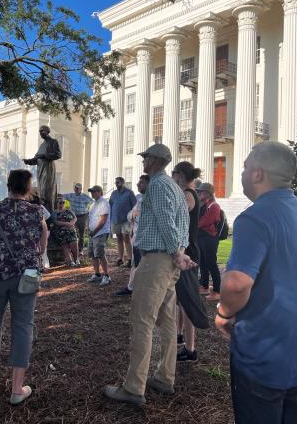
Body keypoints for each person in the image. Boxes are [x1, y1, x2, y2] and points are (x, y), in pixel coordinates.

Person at [215, 141, 297, 424]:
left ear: (257, 174)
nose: (241, 174)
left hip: (262, 355)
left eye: (244, 167)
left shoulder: (254, 217)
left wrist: (223, 314)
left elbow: (236, 284)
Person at [103, 144, 195, 406]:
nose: (143, 161)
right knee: (166, 322)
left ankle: (134, 388)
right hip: (169, 262)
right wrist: (180, 251)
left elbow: (167, 221)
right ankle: (165, 378)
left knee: (142, 321)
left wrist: (177, 253)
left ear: (155, 161)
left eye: (146, 158)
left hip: (157, 260)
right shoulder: (175, 188)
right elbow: (183, 223)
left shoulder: (156, 185)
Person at [0, 169, 48, 405]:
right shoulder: (37, 212)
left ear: (8, 186)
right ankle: (17, 388)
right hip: (25, 276)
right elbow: (42, 242)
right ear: (28, 188)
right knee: (23, 326)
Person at [171, 161, 209, 363]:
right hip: (185, 250)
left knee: (187, 301)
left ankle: (191, 349)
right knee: (180, 298)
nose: (172, 178)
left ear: (180, 175)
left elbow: (174, 218)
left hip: (189, 252)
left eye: (173, 174)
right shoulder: (186, 193)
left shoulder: (188, 195)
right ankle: (179, 336)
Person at [114, 174, 149, 297]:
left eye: (141, 183)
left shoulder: (152, 199)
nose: (138, 185)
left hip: (146, 239)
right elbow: (130, 215)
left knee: (142, 264)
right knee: (135, 263)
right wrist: (134, 214)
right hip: (137, 236)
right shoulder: (140, 198)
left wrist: (137, 214)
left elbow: (147, 217)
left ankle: (140, 289)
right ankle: (131, 287)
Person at [23, 125, 62, 211]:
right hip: (40, 170)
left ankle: (49, 211)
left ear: (48, 132)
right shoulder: (42, 145)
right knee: (41, 191)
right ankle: (43, 210)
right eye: (40, 131)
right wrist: (29, 161)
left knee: (47, 190)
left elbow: (58, 154)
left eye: (42, 131)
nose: (41, 133)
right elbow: (37, 159)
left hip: (48, 170)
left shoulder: (53, 142)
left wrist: (45, 155)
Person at [197, 182, 222, 301]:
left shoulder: (214, 206)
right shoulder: (206, 205)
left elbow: (205, 221)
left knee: (211, 263)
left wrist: (194, 226)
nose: (199, 194)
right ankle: (204, 285)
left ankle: (217, 290)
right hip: (203, 237)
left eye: (201, 192)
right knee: (203, 262)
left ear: (207, 193)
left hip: (209, 238)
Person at [85, 185, 111, 286]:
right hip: (92, 233)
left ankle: (106, 276)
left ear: (100, 192)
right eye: (91, 191)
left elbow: (103, 220)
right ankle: (97, 274)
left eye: (94, 191)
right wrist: (88, 227)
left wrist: (94, 231)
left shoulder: (104, 203)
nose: (92, 193)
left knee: (100, 254)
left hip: (100, 233)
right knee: (93, 255)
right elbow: (89, 217)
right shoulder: (93, 204)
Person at [109, 177, 137, 267]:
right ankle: (120, 258)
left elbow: (135, 206)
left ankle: (130, 259)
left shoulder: (129, 193)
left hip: (126, 220)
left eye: (118, 182)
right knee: (119, 238)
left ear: (123, 182)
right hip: (116, 219)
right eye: (116, 183)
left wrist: (133, 218)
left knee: (127, 238)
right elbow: (111, 205)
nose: (117, 184)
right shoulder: (113, 193)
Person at [63, 183, 93, 254]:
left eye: (78, 188)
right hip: (73, 217)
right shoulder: (70, 195)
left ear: (81, 189)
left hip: (83, 216)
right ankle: (72, 249)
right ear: (74, 188)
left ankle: (80, 249)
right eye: (75, 188)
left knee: (81, 234)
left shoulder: (85, 196)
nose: (76, 189)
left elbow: (93, 202)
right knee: (73, 233)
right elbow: (61, 196)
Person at [52, 195, 80, 267]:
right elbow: (56, 222)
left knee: (74, 243)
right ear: (57, 203)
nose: (62, 204)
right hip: (61, 231)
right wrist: (66, 224)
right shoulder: (55, 212)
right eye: (60, 202)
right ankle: (70, 261)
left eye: (63, 202)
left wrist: (71, 224)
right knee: (65, 245)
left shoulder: (68, 210)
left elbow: (75, 218)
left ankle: (76, 260)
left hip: (70, 229)